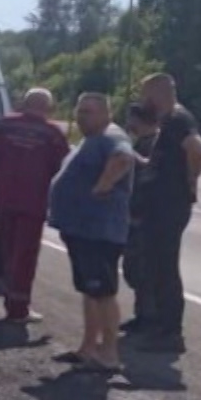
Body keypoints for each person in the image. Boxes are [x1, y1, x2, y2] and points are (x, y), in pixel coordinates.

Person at [46, 93, 139, 374]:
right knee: (90, 290)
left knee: (103, 292)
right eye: (79, 111)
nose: (81, 116)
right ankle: (88, 348)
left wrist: (104, 184)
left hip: (99, 230)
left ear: (106, 114)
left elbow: (123, 158)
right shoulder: (92, 138)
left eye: (88, 112)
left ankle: (109, 354)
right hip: (82, 229)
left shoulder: (111, 136)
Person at [0, 87, 71, 323]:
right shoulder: (52, 133)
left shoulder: (5, 125)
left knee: (8, 252)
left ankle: (11, 302)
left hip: (6, 200)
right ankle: (19, 309)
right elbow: (62, 167)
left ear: (24, 103)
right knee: (25, 255)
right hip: (33, 202)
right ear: (49, 108)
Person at [130, 74, 201, 353]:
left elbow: (198, 150)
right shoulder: (169, 120)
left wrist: (190, 182)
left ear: (155, 94)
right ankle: (154, 323)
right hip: (159, 204)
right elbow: (162, 162)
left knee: (165, 269)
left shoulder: (178, 119)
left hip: (169, 206)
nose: (141, 101)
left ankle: (170, 332)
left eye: (144, 95)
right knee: (153, 266)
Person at [120, 103, 160, 336]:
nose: (128, 123)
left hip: (147, 216)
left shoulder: (156, 142)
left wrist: (129, 153)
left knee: (142, 268)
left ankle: (150, 318)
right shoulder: (140, 141)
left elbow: (150, 170)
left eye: (131, 118)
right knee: (133, 268)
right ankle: (142, 314)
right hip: (134, 213)